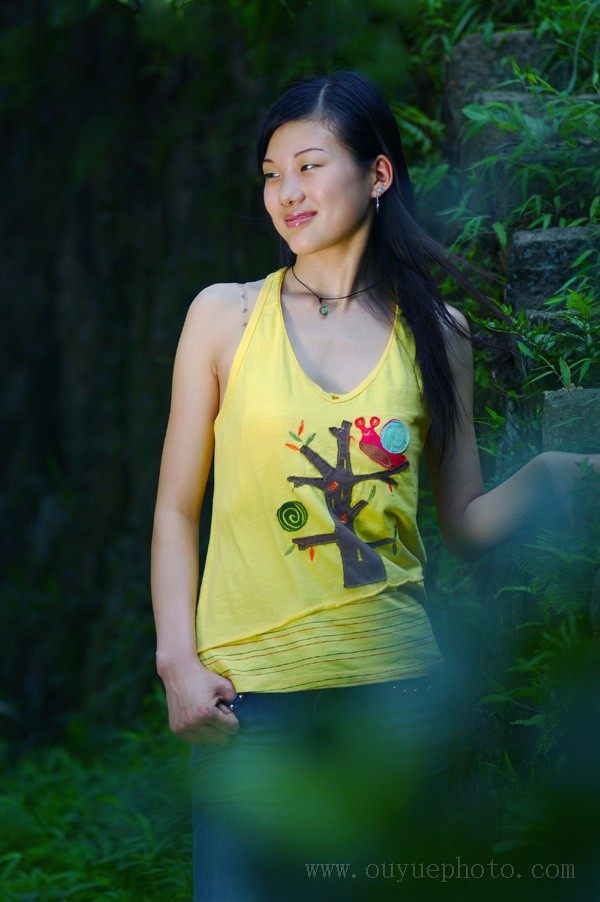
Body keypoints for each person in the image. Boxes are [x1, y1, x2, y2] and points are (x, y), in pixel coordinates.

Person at [150, 71, 598, 900]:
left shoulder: (439, 332)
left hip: (398, 703)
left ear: (378, 173)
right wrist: (177, 659)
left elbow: (463, 521)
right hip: (249, 701)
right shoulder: (224, 317)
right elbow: (178, 509)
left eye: (309, 166)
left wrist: (548, 476)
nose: (287, 192)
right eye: (272, 175)